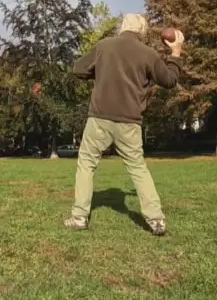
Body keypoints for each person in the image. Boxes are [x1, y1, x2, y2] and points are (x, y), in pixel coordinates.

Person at [64, 14, 184, 236]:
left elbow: (79, 68)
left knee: (86, 163)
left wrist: (102, 72)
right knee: (138, 167)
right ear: (142, 31)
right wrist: (176, 52)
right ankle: (156, 220)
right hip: (130, 122)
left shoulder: (104, 46)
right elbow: (169, 80)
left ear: (122, 27)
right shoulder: (148, 54)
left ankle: (79, 217)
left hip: (99, 118)